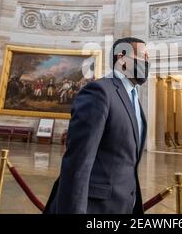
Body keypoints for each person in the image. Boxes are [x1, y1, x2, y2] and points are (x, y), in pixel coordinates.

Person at [44, 37, 149, 214]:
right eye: (144, 56)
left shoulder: (133, 97)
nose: (147, 62)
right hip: (95, 207)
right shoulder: (99, 92)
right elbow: (78, 161)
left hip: (123, 205)